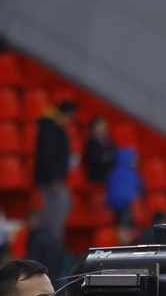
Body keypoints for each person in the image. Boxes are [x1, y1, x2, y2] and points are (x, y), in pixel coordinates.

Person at [33, 97, 75, 241]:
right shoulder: (51, 128)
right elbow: (47, 153)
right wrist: (53, 177)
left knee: (62, 207)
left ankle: (52, 244)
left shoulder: (54, 127)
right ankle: (51, 243)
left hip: (55, 178)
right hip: (51, 180)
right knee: (53, 214)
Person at [83, 116, 116, 183]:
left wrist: (107, 156)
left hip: (110, 174)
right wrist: (107, 156)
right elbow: (97, 159)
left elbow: (114, 153)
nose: (103, 129)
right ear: (93, 128)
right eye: (100, 126)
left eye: (104, 126)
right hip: (98, 177)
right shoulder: (91, 143)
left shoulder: (109, 141)